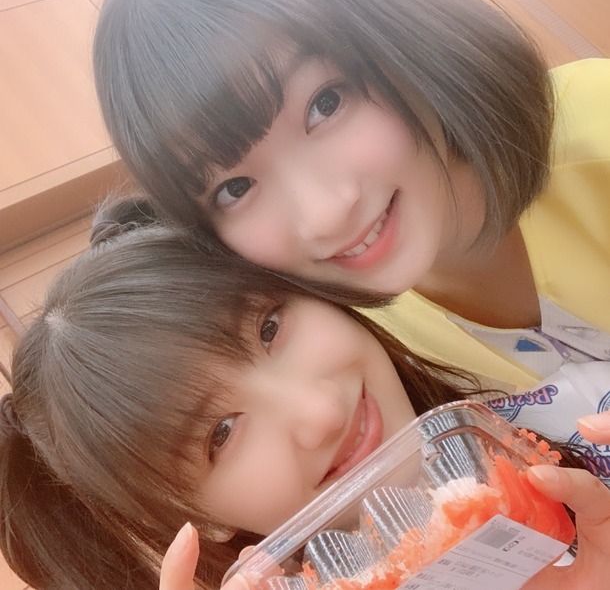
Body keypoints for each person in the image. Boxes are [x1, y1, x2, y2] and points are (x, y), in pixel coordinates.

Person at [1, 198, 609, 590]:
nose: (319, 413)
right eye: (220, 434)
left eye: (269, 328)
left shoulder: (586, 416)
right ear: (200, 520)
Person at [92, 0, 610, 390]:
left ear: (402, 38)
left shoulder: (599, 128)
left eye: (326, 104)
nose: (325, 214)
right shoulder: (366, 333)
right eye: (235, 187)